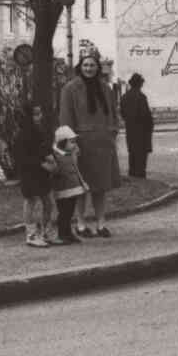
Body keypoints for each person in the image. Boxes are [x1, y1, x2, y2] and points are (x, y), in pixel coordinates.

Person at [59, 53, 122, 239]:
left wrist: (112, 131)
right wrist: (70, 143)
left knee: (101, 186)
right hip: (81, 145)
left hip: (103, 144)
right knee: (81, 187)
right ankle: (81, 224)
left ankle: (101, 223)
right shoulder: (70, 89)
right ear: (80, 67)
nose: (89, 68)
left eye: (92, 65)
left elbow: (113, 113)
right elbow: (66, 117)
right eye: (86, 65)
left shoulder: (105, 88)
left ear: (98, 67)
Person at [14, 103, 59, 247]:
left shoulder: (40, 131)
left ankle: (46, 232)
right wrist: (41, 163)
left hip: (42, 172)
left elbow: (44, 148)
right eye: (36, 114)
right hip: (29, 172)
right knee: (31, 201)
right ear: (28, 116)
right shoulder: (21, 134)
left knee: (48, 202)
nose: (40, 116)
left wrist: (50, 158)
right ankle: (31, 235)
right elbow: (23, 157)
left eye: (40, 113)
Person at [52, 125, 88, 245]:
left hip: (72, 187)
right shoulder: (56, 155)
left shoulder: (70, 154)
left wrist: (82, 183)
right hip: (62, 188)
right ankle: (62, 234)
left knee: (70, 211)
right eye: (71, 142)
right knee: (64, 212)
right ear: (62, 142)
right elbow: (54, 171)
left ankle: (68, 233)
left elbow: (76, 169)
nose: (74, 145)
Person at [120, 73, 154, 178]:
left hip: (130, 130)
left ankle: (133, 176)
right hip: (142, 132)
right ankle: (140, 177)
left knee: (132, 156)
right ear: (140, 84)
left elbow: (122, 114)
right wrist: (150, 126)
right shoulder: (141, 97)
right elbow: (146, 115)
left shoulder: (124, 97)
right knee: (141, 158)